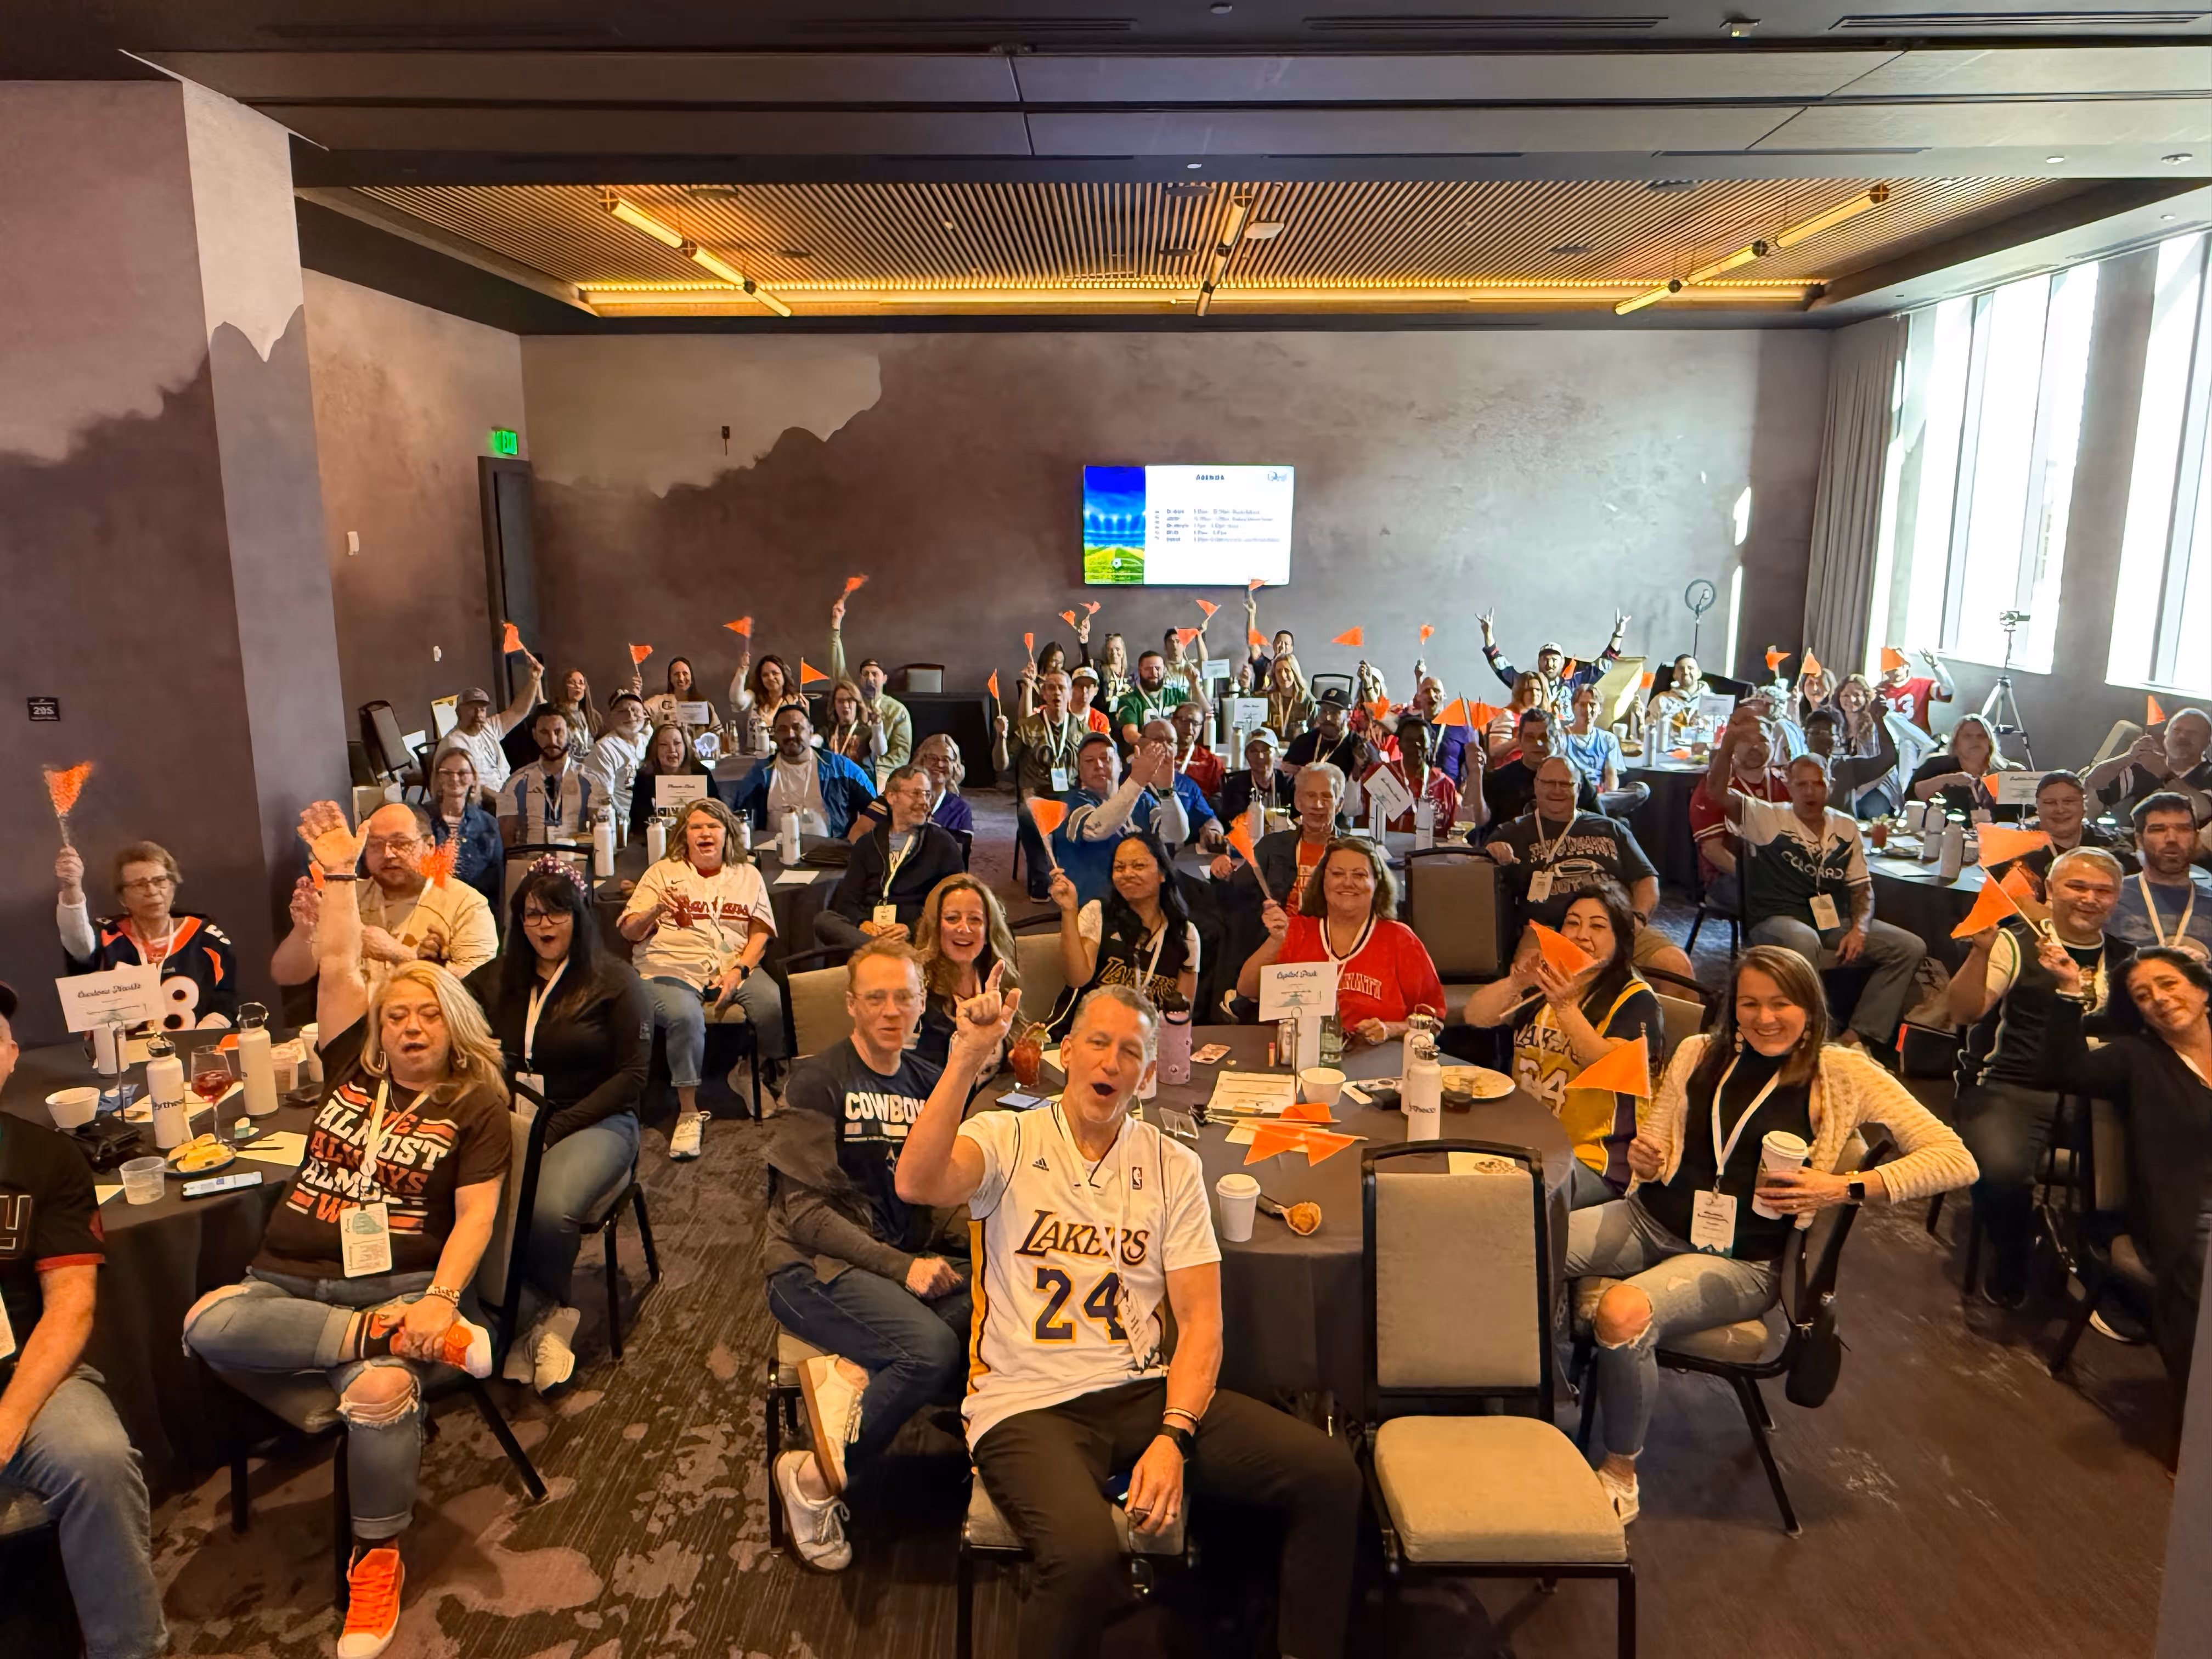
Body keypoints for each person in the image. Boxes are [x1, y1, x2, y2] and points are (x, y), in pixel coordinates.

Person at [895, 980, 1363, 1659]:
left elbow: (1202, 1323)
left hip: (1142, 1391)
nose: (1110, 1062)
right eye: (1097, 1043)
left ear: (1147, 1077)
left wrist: (1176, 1435)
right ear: (1066, 1053)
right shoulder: (1008, 1135)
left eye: (1130, 1053)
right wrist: (967, 1056)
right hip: (1028, 1404)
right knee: (1083, 1555)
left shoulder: (1174, 1165)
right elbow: (917, 1182)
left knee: (1329, 1473)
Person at [183, 801, 511, 1659]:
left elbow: (477, 1214)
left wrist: (441, 1297)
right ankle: (382, 1338)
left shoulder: (475, 1100)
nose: (408, 1027)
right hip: (288, 1281)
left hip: (401, 1281)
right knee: (204, 1321)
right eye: (396, 1016)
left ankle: (377, 1560)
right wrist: (336, 875)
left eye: (426, 1016)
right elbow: (335, 961)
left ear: (454, 1024)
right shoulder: (349, 1067)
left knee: (379, 1394)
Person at [1568, 946, 1974, 1521]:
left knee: (1622, 1311)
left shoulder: (1843, 1072)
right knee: (1525, 1245)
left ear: (1810, 1006)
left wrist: (1842, 1187)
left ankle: (1620, 1471)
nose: (1764, 1019)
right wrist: (1646, 1155)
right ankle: (1524, 1394)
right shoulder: (1696, 1053)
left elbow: (1955, 1160)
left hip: (1743, 1261)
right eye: (1750, 1004)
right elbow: (1651, 1159)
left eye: (1781, 1004)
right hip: (1650, 1220)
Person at [767, 940, 972, 1570]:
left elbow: (936, 1197)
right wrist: (900, 1267)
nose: (891, 1011)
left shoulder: (926, 1081)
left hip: (898, 1259)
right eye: (876, 998)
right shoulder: (817, 1079)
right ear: (850, 1005)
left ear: (920, 1006)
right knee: (930, 1351)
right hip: (813, 1268)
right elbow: (805, 1216)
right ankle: (813, 1479)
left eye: (904, 997)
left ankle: (855, 1378)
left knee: (1002, 1303)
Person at [0, 978, 167, 1659]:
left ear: (9, 1056)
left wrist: (8, 1419)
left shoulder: (45, 1158)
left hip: (25, 1367)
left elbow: (71, 1305)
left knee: (98, 1459)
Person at [467, 862, 650, 1391]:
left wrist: (557, 1126)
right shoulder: (497, 978)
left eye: (557, 912)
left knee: (546, 1209)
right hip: (511, 1119)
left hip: (598, 1119)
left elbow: (633, 1078)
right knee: (464, 1199)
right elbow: (443, 1008)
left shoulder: (615, 981)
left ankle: (550, 1315)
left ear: (579, 917)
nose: (544, 925)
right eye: (531, 914)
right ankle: (530, 1319)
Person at [1948, 847, 2132, 1306]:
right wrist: (1979, 953)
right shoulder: (2015, 942)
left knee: (2155, 1167)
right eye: (2077, 887)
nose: (2090, 898)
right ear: (2050, 890)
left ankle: (2114, 1272)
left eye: (2103, 891)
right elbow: (1963, 1011)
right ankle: (2013, 1251)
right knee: (2003, 1170)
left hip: (2097, 1091)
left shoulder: (2129, 959)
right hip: (2015, 1084)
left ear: (2117, 899)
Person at [2039, 946, 2212, 1383]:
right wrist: (2068, 991)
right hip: (2188, 1213)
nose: (2159, 997)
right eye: (2142, 995)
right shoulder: (2137, 1057)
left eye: (2169, 983)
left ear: (2202, 989)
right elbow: (2062, 1073)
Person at [1705, 732, 1926, 1060]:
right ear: (1789, 786)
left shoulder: (1846, 827)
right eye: (1802, 785)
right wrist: (1726, 748)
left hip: (1832, 921)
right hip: (1777, 920)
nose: (1810, 792)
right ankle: (1812, 1035)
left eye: (1818, 784)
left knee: (1909, 947)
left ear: (1830, 786)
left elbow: (1862, 888)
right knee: (1805, 938)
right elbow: (1717, 792)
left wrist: (1860, 929)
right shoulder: (1769, 817)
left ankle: (1857, 1036)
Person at [1464, 884, 1662, 1208]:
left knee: (1498, 1204)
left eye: (1598, 926)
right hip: (1525, 1141)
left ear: (1621, 937)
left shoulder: (1636, 1000)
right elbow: (1476, 1016)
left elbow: (1606, 1068)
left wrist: (1567, 1009)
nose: (1582, 935)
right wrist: (1517, 982)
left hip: (1592, 1160)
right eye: (1573, 923)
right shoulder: (1548, 982)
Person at [618, 799, 787, 1161]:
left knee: (773, 1005)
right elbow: (630, 931)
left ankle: (747, 1071)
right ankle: (689, 1112)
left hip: (733, 965)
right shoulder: (662, 873)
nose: (705, 833)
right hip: (670, 967)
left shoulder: (748, 874)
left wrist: (739, 971)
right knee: (686, 1017)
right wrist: (656, 909)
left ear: (728, 834)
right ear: (684, 836)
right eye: (696, 827)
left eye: (713, 826)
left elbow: (760, 934)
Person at [1483, 754, 1691, 983]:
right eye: (1549, 783)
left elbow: (1646, 879)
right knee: (1528, 976)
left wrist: (1637, 918)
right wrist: (1492, 851)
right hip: (1548, 928)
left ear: (1579, 788)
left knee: (1677, 966)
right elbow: (1483, 874)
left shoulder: (1610, 828)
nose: (1557, 790)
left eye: (1566, 784)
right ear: (1536, 785)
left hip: (1615, 925)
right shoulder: (1511, 833)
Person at [1240, 837, 1446, 1046]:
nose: (1348, 882)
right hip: (1296, 1058)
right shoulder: (1295, 931)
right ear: (1322, 881)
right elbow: (1246, 989)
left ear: (1377, 884)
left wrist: (1391, 1029)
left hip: (1372, 1066)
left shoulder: (1401, 940)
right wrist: (1276, 942)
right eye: (1337, 874)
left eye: (1359, 875)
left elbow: (1434, 1021)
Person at [273, 803, 498, 990]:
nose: (388, 854)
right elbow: (286, 975)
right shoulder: (347, 898)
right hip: (353, 1029)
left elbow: (483, 988)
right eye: (376, 845)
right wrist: (304, 931)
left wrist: (400, 955)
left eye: (401, 844)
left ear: (429, 846)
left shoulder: (467, 904)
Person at [57, 838, 239, 1030]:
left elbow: (226, 999)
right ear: (122, 897)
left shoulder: (206, 938)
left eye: (160, 881)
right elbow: (78, 942)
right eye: (139, 885)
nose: (152, 891)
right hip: (123, 1056)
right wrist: (72, 889)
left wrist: (202, 1040)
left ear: (173, 885)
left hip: (192, 1053)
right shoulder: (108, 937)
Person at [818, 765, 968, 951]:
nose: (924, 802)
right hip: (870, 930)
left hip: (912, 933)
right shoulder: (868, 843)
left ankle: (879, 951)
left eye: (928, 795)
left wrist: (912, 928)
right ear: (891, 797)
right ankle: (880, 949)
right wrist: (861, 923)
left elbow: (955, 903)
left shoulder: (942, 844)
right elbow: (847, 900)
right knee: (823, 920)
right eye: (915, 794)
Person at [1051, 833, 1200, 1016]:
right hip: (1089, 1031)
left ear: (1162, 873)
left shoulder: (1185, 933)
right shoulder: (1098, 912)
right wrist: (1069, 910)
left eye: (1139, 866)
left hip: (1148, 1040)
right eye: (1119, 868)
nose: (1127, 874)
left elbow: (1181, 1016)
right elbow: (1077, 979)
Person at [1048, 732, 1189, 906]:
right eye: (1089, 761)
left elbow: (1177, 835)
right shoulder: (1070, 803)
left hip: (1143, 904)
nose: (1098, 765)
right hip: (1096, 910)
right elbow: (1095, 829)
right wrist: (1137, 781)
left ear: (1120, 765)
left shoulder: (1142, 799)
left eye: (1105, 758)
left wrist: (1167, 790)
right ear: (1079, 771)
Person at [914, 873, 1023, 1067]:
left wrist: (1017, 1048)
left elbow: (1011, 1040)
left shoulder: (994, 972)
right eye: (952, 918)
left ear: (988, 930)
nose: (964, 929)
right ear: (934, 927)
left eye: (975, 919)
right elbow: (913, 1068)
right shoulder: (917, 984)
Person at [997, 668, 1086, 899]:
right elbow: (1002, 765)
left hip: (1070, 794)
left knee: (1089, 813)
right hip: (1035, 794)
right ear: (1043, 695)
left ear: (1070, 694)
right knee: (1029, 814)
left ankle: (1076, 876)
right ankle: (1040, 877)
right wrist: (1001, 738)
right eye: (1051, 687)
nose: (1057, 692)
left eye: (1062, 688)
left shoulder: (1081, 729)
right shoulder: (1028, 727)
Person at [730, 704, 879, 840]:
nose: (790, 735)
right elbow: (738, 816)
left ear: (811, 730)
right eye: (782, 729)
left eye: (797, 727)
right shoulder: (761, 774)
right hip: (773, 854)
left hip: (830, 853)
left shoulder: (841, 768)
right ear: (774, 735)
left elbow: (878, 808)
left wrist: (857, 836)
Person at [1689, 724, 1789, 911]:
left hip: (1784, 873)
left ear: (1774, 745)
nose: (1754, 747)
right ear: (1733, 746)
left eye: (1762, 740)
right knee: (1782, 903)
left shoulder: (1785, 783)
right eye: (1746, 740)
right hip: (1730, 877)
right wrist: (1760, 878)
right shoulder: (1715, 786)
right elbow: (1712, 850)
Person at [2108, 792, 2212, 962]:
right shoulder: (2110, 897)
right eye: (2159, 829)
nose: (2172, 839)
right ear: (2139, 840)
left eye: (2183, 829)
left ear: (2196, 838)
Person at [826, 595, 915, 784]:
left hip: (883, 772)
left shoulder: (898, 712)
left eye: (875, 674)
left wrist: (878, 770)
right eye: (865, 674)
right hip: (849, 765)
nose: (870, 678)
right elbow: (838, 671)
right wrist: (836, 628)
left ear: (885, 679)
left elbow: (901, 755)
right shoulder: (854, 702)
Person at [1480, 607, 1629, 716]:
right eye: (1546, 660)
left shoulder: (1574, 683)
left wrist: (1619, 634)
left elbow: (1603, 665)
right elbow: (1502, 668)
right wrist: (1489, 637)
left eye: (1554, 660)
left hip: (1567, 741)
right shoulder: (1529, 684)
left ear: (1563, 662)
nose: (1550, 665)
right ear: (1539, 662)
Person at [433, 653, 544, 794]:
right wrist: (505, 802)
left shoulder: (488, 727)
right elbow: (472, 788)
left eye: (482, 709)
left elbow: (518, 712)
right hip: (482, 802)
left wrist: (534, 680)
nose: (478, 715)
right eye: (472, 709)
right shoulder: (454, 743)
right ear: (459, 712)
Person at [2085, 707, 2212, 826]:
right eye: (2177, 730)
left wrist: (2165, 775)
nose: (2182, 737)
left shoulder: (2208, 774)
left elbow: (2202, 811)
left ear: (2208, 741)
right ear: (2166, 735)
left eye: (2193, 733)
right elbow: (2093, 783)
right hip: (2131, 843)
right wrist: (2128, 758)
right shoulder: (2144, 768)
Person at [498, 707, 600, 847]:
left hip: (576, 862)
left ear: (570, 732)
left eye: (558, 732)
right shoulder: (515, 783)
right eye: (544, 732)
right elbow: (506, 840)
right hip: (531, 862)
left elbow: (601, 834)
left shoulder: (592, 781)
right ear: (535, 735)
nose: (552, 740)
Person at [1482, 708, 1602, 827]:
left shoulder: (1574, 779)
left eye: (1545, 737)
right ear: (1519, 740)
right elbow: (1482, 830)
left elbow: (1601, 824)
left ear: (1556, 739)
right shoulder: (1497, 782)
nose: (1538, 743)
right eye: (1530, 737)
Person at [425, 747, 504, 913]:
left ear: (474, 780)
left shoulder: (489, 825)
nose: (454, 779)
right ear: (438, 778)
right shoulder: (421, 819)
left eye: (462, 773)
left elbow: (497, 885)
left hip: (474, 912)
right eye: (446, 773)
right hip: (428, 909)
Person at [2014, 769, 2120, 890]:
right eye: (2050, 803)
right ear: (2037, 808)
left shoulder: (2113, 847)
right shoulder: (2016, 853)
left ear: (2084, 805)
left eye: (2069, 801)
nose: (2060, 810)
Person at [1361, 718, 1465, 834]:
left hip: (1431, 852)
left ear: (1430, 745)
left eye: (1422, 740)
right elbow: (1357, 813)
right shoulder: (1380, 774)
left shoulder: (1445, 786)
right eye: (1409, 740)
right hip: (1384, 851)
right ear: (1399, 745)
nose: (1416, 745)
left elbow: (1454, 831)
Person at [1138, 716, 1227, 854]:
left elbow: (1209, 820)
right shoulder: (1125, 782)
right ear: (1141, 744)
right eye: (1157, 740)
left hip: (1176, 865)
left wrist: (1213, 831)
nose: (1165, 747)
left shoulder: (1186, 784)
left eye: (1171, 742)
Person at [1909, 713, 2018, 819]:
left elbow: (2027, 813)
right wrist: (1947, 780)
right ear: (1956, 743)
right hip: (1946, 833)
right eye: (1968, 736)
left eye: (1982, 736)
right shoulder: (1936, 765)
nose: (1975, 740)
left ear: (1990, 743)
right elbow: (1911, 796)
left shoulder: (2007, 771)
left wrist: (2024, 782)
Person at [1560, 682, 1644, 819]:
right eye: (1582, 705)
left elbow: (1611, 776)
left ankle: (1594, 807)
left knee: (1641, 790)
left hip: (1600, 794)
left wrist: (1608, 796)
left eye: (1593, 705)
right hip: (1574, 794)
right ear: (1573, 708)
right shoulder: (1561, 737)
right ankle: (1596, 808)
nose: (1588, 710)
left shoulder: (1608, 739)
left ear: (1600, 709)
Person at [1801, 706, 1900, 820]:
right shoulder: (1795, 770)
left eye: (1829, 732)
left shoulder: (1846, 767)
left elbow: (1888, 758)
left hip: (1842, 833)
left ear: (1838, 740)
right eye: (1815, 732)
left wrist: (1878, 720)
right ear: (1805, 737)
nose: (1822, 737)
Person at [628, 720, 713, 839]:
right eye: (663, 745)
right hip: (656, 841)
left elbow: (717, 813)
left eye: (677, 743)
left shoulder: (701, 773)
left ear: (686, 747)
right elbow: (637, 825)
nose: (672, 749)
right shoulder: (645, 777)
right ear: (655, 750)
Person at [583, 690, 652, 830]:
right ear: (611, 719)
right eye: (622, 711)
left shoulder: (647, 740)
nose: (630, 715)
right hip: (620, 826)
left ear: (645, 715)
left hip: (650, 823)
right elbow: (601, 799)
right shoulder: (604, 748)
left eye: (635, 710)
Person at [1282, 686, 1377, 780]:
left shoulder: (1360, 749)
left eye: (1335, 713)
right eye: (1324, 711)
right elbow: (1283, 774)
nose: (1328, 718)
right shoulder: (1303, 742)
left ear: (1349, 715)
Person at [730, 650, 807, 753]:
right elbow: (737, 700)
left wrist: (806, 713)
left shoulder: (795, 701)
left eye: (775, 673)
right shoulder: (754, 697)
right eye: (765, 675)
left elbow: (804, 736)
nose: (770, 678)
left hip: (785, 758)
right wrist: (742, 671)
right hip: (754, 759)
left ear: (784, 675)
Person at [1218, 727, 1295, 826]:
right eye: (1254, 751)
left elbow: (1297, 817)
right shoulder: (1235, 785)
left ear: (1276, 754)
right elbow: (1234, 822)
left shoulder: (1288, 782)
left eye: (1266, 751)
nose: (1260, 757)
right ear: (1247, 756)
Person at [1114, 650, 1189, 747]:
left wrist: (1194, 684)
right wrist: (1156, 746)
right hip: (1146, 754)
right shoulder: (1129, 700)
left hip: (1177, 751)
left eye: (1158, 668)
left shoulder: (1176, 694)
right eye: (1148, 669)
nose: (1154, 673)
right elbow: (1130, 734)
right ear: (1140, 671)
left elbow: (1200, 713)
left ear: (1164, 670)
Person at [914, 732, 977, 837]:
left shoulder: (960, 810)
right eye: (933, 758)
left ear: (955, 766)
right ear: (921, 761)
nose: (939, 764)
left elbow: (962, 849)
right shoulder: (904, 797)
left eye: (946, 760)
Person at [1876, 646, 1955, 730]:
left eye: (1894, 669)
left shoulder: (1923, 685)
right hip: (1891, 739)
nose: (1891, 673)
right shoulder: (1880, 689)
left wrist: (1936, 666)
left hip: (1918, 739)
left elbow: (1947, 693)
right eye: (1888, 670)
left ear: (1906, 665)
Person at [1644, 654, 1713, 745]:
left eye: (1690, 668)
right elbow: (1648, 731)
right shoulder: (1661, 701)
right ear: (1675, 675)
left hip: (1701, 752)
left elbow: (1723, 734)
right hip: (1667, 752)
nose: (1686, 672)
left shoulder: (1714, 701)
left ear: (1699, 674)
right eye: (1681, 669)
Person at [1169, 696, 1225, 806]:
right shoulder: (1158, 755)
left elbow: (1221, 799)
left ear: (1201, 727)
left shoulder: (1212, 762)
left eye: (1195, 723)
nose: (1190, 728)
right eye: (1185, 721)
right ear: (1173, 721)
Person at [549, 668, 603, 753]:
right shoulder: (556, 715)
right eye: (572, 683)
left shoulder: (593, 715)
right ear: (564, 686)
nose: (578, 686)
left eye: (581, 683)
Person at [1265, 653, 1314, 744]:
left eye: (1287, 670)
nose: (1283, 675)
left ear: (1295, 673)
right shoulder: (1267, 700)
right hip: (1271, 751)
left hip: (1298, 752)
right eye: (1279, 671)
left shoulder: (1309, 702)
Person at [1067, 664, 1113, 735]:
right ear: (1071, 689)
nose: (1084, 691)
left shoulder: (1100, 720)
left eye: (1089, 687)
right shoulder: (1061, 714)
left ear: (1096, 691)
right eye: (1080, 686)